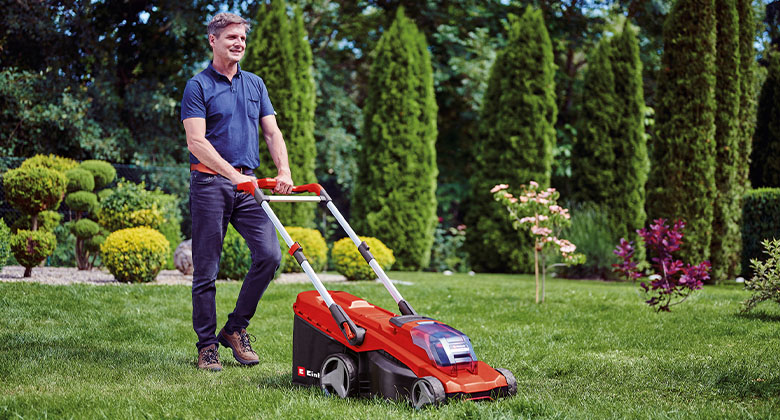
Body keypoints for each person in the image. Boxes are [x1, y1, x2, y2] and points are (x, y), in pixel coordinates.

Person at [181, 12, 294, 371]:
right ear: (213, 40)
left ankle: (234, 329)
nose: (239, 43)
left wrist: (283, 170)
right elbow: (196, 142)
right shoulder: (197, 86)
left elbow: (272, 133)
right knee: (206, 271)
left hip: (249, 187)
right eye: (232, 37)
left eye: (243, 38)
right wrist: (232, 175)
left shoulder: (255, 85)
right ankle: (206, 347)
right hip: (210, 184)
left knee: (269, 255)